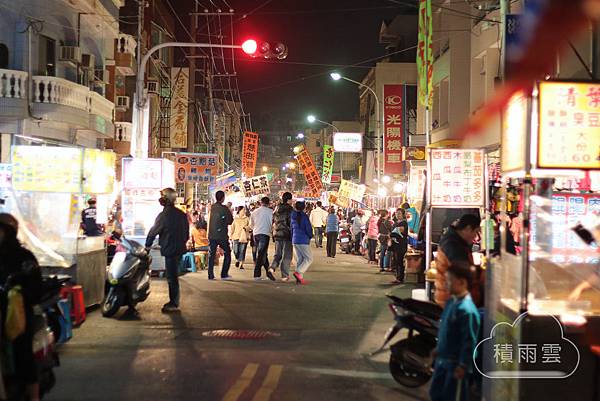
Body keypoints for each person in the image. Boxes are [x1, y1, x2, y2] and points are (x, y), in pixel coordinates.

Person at [0, 214, 42, 401]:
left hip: (18, 315)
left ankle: (33, 397)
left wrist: (18, 291)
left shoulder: (23, 257)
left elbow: (36, 287)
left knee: (23, 355)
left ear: (8, 232)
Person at [429, 262, 481, 401]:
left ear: (462, 282)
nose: (446, 284)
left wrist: (463, 366)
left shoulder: (467, 311)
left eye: (449, 280)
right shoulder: (452, 301)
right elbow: (445, 329)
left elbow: (469, 341)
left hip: (455, 366)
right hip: (442, 361)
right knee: (436, 394)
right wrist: (438, 348)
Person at [434, 214, 481, 307]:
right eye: (475, 232)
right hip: (451, 298)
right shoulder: (453, 244)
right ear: (468, 228)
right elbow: (462, 271)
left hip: (450, 295)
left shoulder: (454, 239)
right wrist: (481, 273)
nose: (475, 237)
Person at [207, 191, 234, 281]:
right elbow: (230, 221)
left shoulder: (212, 207)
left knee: (211, 255)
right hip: (222, 235)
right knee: (227, 253)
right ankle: (224, 274)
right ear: (223, 198)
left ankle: (210, 275)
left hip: (212, 235)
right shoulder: (224, 208)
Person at [270, 192, 294, 281]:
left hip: (277, 234)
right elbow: (291, 223)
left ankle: (272, 267)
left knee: (278, 254)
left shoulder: (277, 208)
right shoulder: (290, 209)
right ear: (289, 200)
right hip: (286, 234)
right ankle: (284, 275)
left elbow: (273, 221)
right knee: (287, 255)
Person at [250, 197, 274, 281]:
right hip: (265, 233)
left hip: (256, 234)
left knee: (263, 253)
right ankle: (257, 274)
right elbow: (272, 224)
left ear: (261, 202)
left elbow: (251, 224)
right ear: (268, 203)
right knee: (261, 254)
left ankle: (268, 273)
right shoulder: (271, 212)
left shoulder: (254, 212)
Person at [291, 201, 313, 285]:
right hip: (303, 240)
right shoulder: (304, 216)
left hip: (295, 240)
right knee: (309, 258)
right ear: (304, 208)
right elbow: (308, 228)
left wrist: (292, 238)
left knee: (300, 258)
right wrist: (310, 236)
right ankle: (298, 272)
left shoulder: (293, 216)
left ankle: (299, 278)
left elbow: (292, 229)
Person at [390, 208, 409, 284]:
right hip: (395, 244)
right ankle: (398, 277)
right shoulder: (396, 222)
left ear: (403, 214)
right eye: (397, 213)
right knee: (396, 260)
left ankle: (400, 278)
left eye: (399, 213)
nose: (397, 215)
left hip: (401, 244)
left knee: (399, 261)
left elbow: (398, 231)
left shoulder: (404, 223)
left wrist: (392, 234)